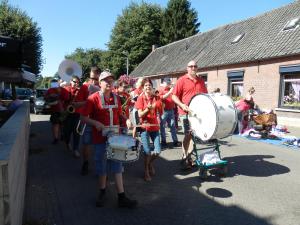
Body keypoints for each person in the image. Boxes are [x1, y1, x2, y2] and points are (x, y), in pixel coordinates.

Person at [81, 71, 137, 208]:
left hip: (116, 138)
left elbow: (119, 114)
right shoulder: (92, 98)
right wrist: (95, 123)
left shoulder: (117, 98)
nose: (109, 83)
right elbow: (83, 117)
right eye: (105, 80)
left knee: (118, 165)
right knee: (101, 165)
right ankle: (102, 191)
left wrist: (127, 120)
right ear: (100, 83)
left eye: (111, 80)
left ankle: (121, 197)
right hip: (100, 138)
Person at [172, 60, 208, 169]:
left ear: (197, 68)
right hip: (185, 113)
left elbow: (205, 96)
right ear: (187, 68)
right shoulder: (181, 80)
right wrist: (182, 105)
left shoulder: (201, 81)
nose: (193, 68)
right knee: (188, 134)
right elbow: (174, 96)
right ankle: (185, 156)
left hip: (198, 114)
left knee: (194, 135)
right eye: (190, 66)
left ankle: (189, 156)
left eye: (195, 66)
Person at [74, 66, 101, 175]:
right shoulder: (85, 87)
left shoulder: (103, 87)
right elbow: (76, 104)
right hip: (88, 119)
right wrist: (89, 101)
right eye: (91, 78)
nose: (93, 81)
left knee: (101, 146)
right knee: (86, 144)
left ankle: (101, 169)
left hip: (101, 120)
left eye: (95, 79)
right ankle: (85, 163)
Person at [135, 78, 163, 181]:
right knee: (147, 152)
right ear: (143, 87)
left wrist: (159, 105)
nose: (148, 87)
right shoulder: (140, 99)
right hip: (145, 127)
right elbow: (140, 114)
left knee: (158, 151)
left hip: (155, 127)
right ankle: (146, 170)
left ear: (152, 87)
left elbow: (160, 110)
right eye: (146, 85)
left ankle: (150, 163)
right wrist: (148, 109)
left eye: (149, 85)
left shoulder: (156, 97)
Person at [45, 79, 70, 144]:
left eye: (55, 83)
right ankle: (56, 138)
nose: (54, 85)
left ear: (57, 83)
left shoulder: (62, 89)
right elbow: (45, 98)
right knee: (55, 124)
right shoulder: (50, 90)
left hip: (62, 110)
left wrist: (59, 92)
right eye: (52, 84)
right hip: (54, 110)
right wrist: (50, 96)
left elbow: (67, 98)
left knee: (62, 124)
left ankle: (62, 135)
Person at [159, 78, 180, 148]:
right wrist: (170, 92)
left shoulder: (171, 90)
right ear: (164, 83)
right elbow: (162, 98)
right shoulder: (161, 90)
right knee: (162, 127)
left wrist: (173, 88)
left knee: (172, 126)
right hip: (163, 111)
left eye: (169, 83)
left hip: (171, 110)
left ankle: (175, 141)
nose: (169, 84)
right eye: (167, 83)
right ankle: (163, 141)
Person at [63, 76, 81, 157]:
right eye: (74, 81)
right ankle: (67, 142)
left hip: (77, 114)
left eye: (77, 82)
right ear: (71, 81)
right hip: (67, 114)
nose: (76, 83)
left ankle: (75, 149)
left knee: (77, 133)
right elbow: (63, 99)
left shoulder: (79, 91)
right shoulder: (66, 89)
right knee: (67, 132)